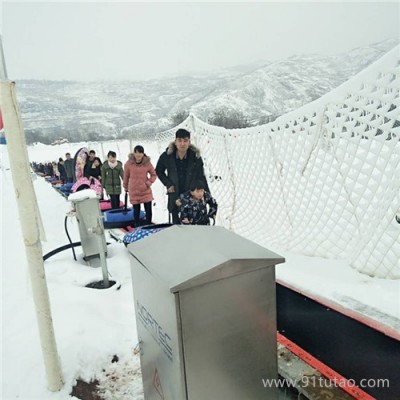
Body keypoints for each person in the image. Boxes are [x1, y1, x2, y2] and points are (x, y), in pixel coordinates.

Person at [155, 128, 210, 224]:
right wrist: (168, 183)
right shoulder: (167, 156)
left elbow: (201, 176)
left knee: (191, 223)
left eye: (185, 140)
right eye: (179, 140)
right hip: (174, 195)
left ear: (189, 142)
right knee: (176, 223)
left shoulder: (196, 157)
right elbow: (159, 171)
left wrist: (207, 194)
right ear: (175, 141)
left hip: (191, 196)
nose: (182, 144)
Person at [123, 145, 157, 227]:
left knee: (148, 209)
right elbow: (126, 176)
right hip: (133, 190)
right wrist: (125, 186)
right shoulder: (129, 163)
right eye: (136, 152)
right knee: (136, 210)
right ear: (134, 153)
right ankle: (137, 226)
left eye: (140, 153)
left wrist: (148, 183)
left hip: (145, 190)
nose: (138, 155)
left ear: (143, 154)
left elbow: (154, 175)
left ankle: (148, 225)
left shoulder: (147, 163)